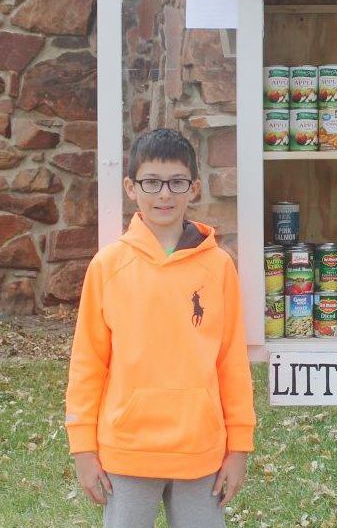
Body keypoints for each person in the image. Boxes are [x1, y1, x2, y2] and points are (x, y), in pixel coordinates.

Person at [65, 128, 256, 527]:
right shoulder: (108, 266)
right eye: (152, 182)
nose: (164, 194)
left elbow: (231, 362)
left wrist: (239, 448)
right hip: (128, 450)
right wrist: (83, 448)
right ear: (131, 187)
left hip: (201, 450)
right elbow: (88, 364)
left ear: (195, 188)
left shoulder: (218, 266)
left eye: (176, 182)